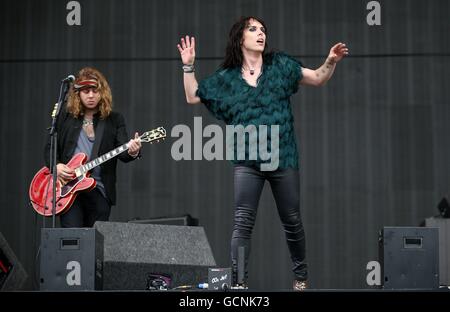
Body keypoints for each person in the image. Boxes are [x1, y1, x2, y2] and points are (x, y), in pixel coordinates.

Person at [177, 16, 348, 290]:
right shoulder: (228, 79)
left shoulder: (279, 65)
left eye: (263, 30)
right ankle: (239, 283)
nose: (260, 34)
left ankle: (301, 278)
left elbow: (317, 78)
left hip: (283, 157)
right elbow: (192, 95)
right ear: (239, 38)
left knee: (292, 220)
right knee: (242, 222)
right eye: (253, 29)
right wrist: (188, 65)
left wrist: (331, 61)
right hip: (248, 159)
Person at [44, 67, 142, 228]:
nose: (90, 95)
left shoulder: (114, 120)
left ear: (102, 92)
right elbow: (49, 147)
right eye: (86, 91)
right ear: (77, 94)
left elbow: (124, 154)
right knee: (71, 238)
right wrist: (56, 166)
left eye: (95, 91)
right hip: (69, 190)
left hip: (100, 190)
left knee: (95, 243)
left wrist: (134, 150)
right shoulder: (66, 117)